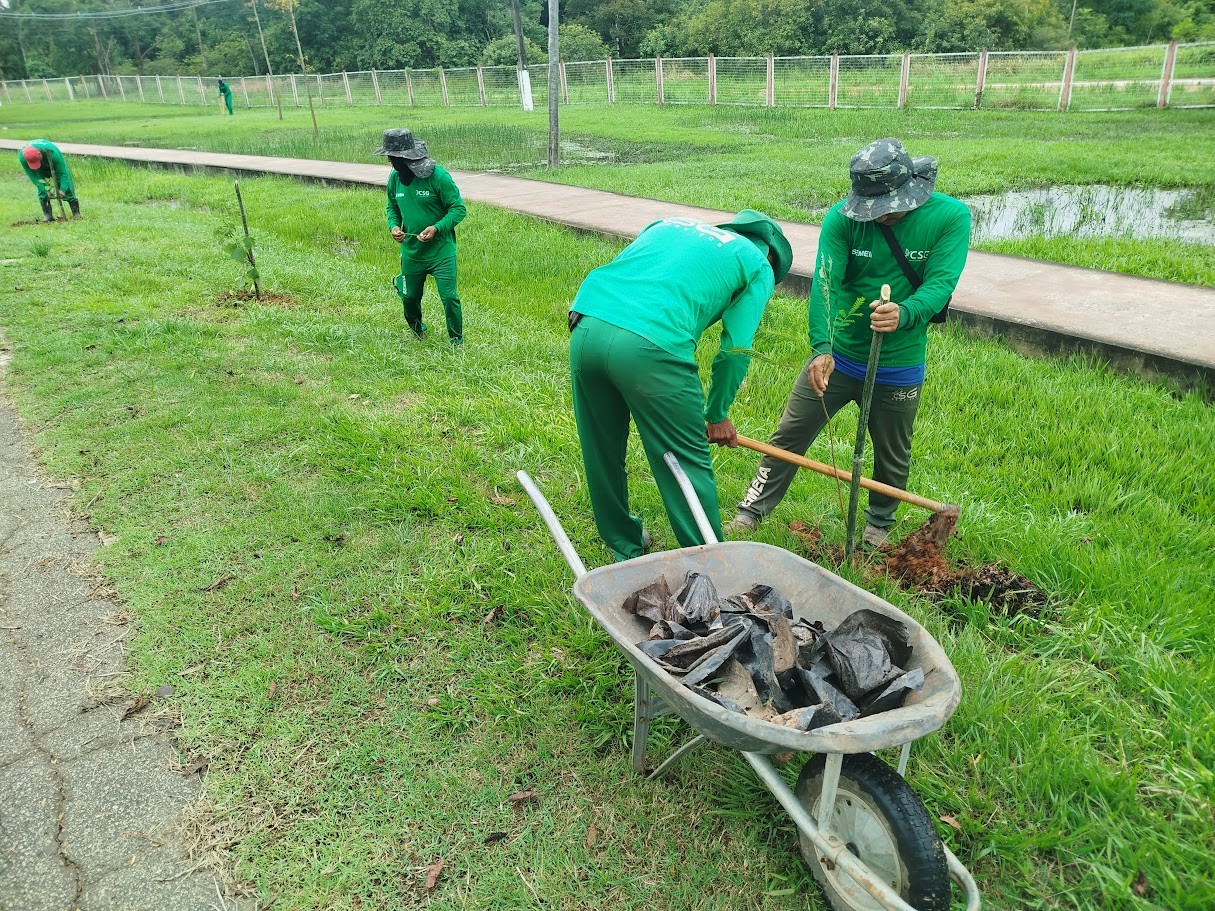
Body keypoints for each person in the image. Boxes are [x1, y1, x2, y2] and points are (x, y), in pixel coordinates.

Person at [728, 138, 970, 547]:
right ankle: (751, 511)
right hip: (839, 356)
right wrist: (822, 347)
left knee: (892, 454)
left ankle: (877, 527)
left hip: (899, 362)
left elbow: (942, 283)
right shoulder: (841, 219)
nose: (881, 217)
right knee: (789, 435)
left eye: (889, 207)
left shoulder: (950, 217)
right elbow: (825, 283)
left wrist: (905, 312)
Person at [569, 210, 793, 561]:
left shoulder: (669, 225)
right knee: (685, 460)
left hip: (587, 325)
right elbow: (735, 350)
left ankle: (623, 546)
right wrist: (717, 414)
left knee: (601, 448)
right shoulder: (758, 264)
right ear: (772, 255)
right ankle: (710, 566)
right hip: (651, 347)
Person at [379, 129, 467, 344]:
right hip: (411, 252)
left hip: (441, 252)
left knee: (449, 298)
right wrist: (394, 226)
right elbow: (392, 207)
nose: (392, 163)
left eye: (395, 158)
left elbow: (458, 209)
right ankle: (417, 329)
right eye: (391, 158)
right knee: (409, 297)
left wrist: (436, 228)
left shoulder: (438, 176)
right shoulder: (395, 179)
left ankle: (456, 339)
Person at [18, 140, 79, 222]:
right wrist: (46, 190)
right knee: (42, 188)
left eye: (36, 161)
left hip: (52, 160)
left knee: (66, 186)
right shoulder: (22, 157)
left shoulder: (52, 153)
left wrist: (63, 190)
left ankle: (76, 214)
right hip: (40, 170)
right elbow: (33, 177)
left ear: (39, 154)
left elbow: (63, 173)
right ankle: (48, 217)